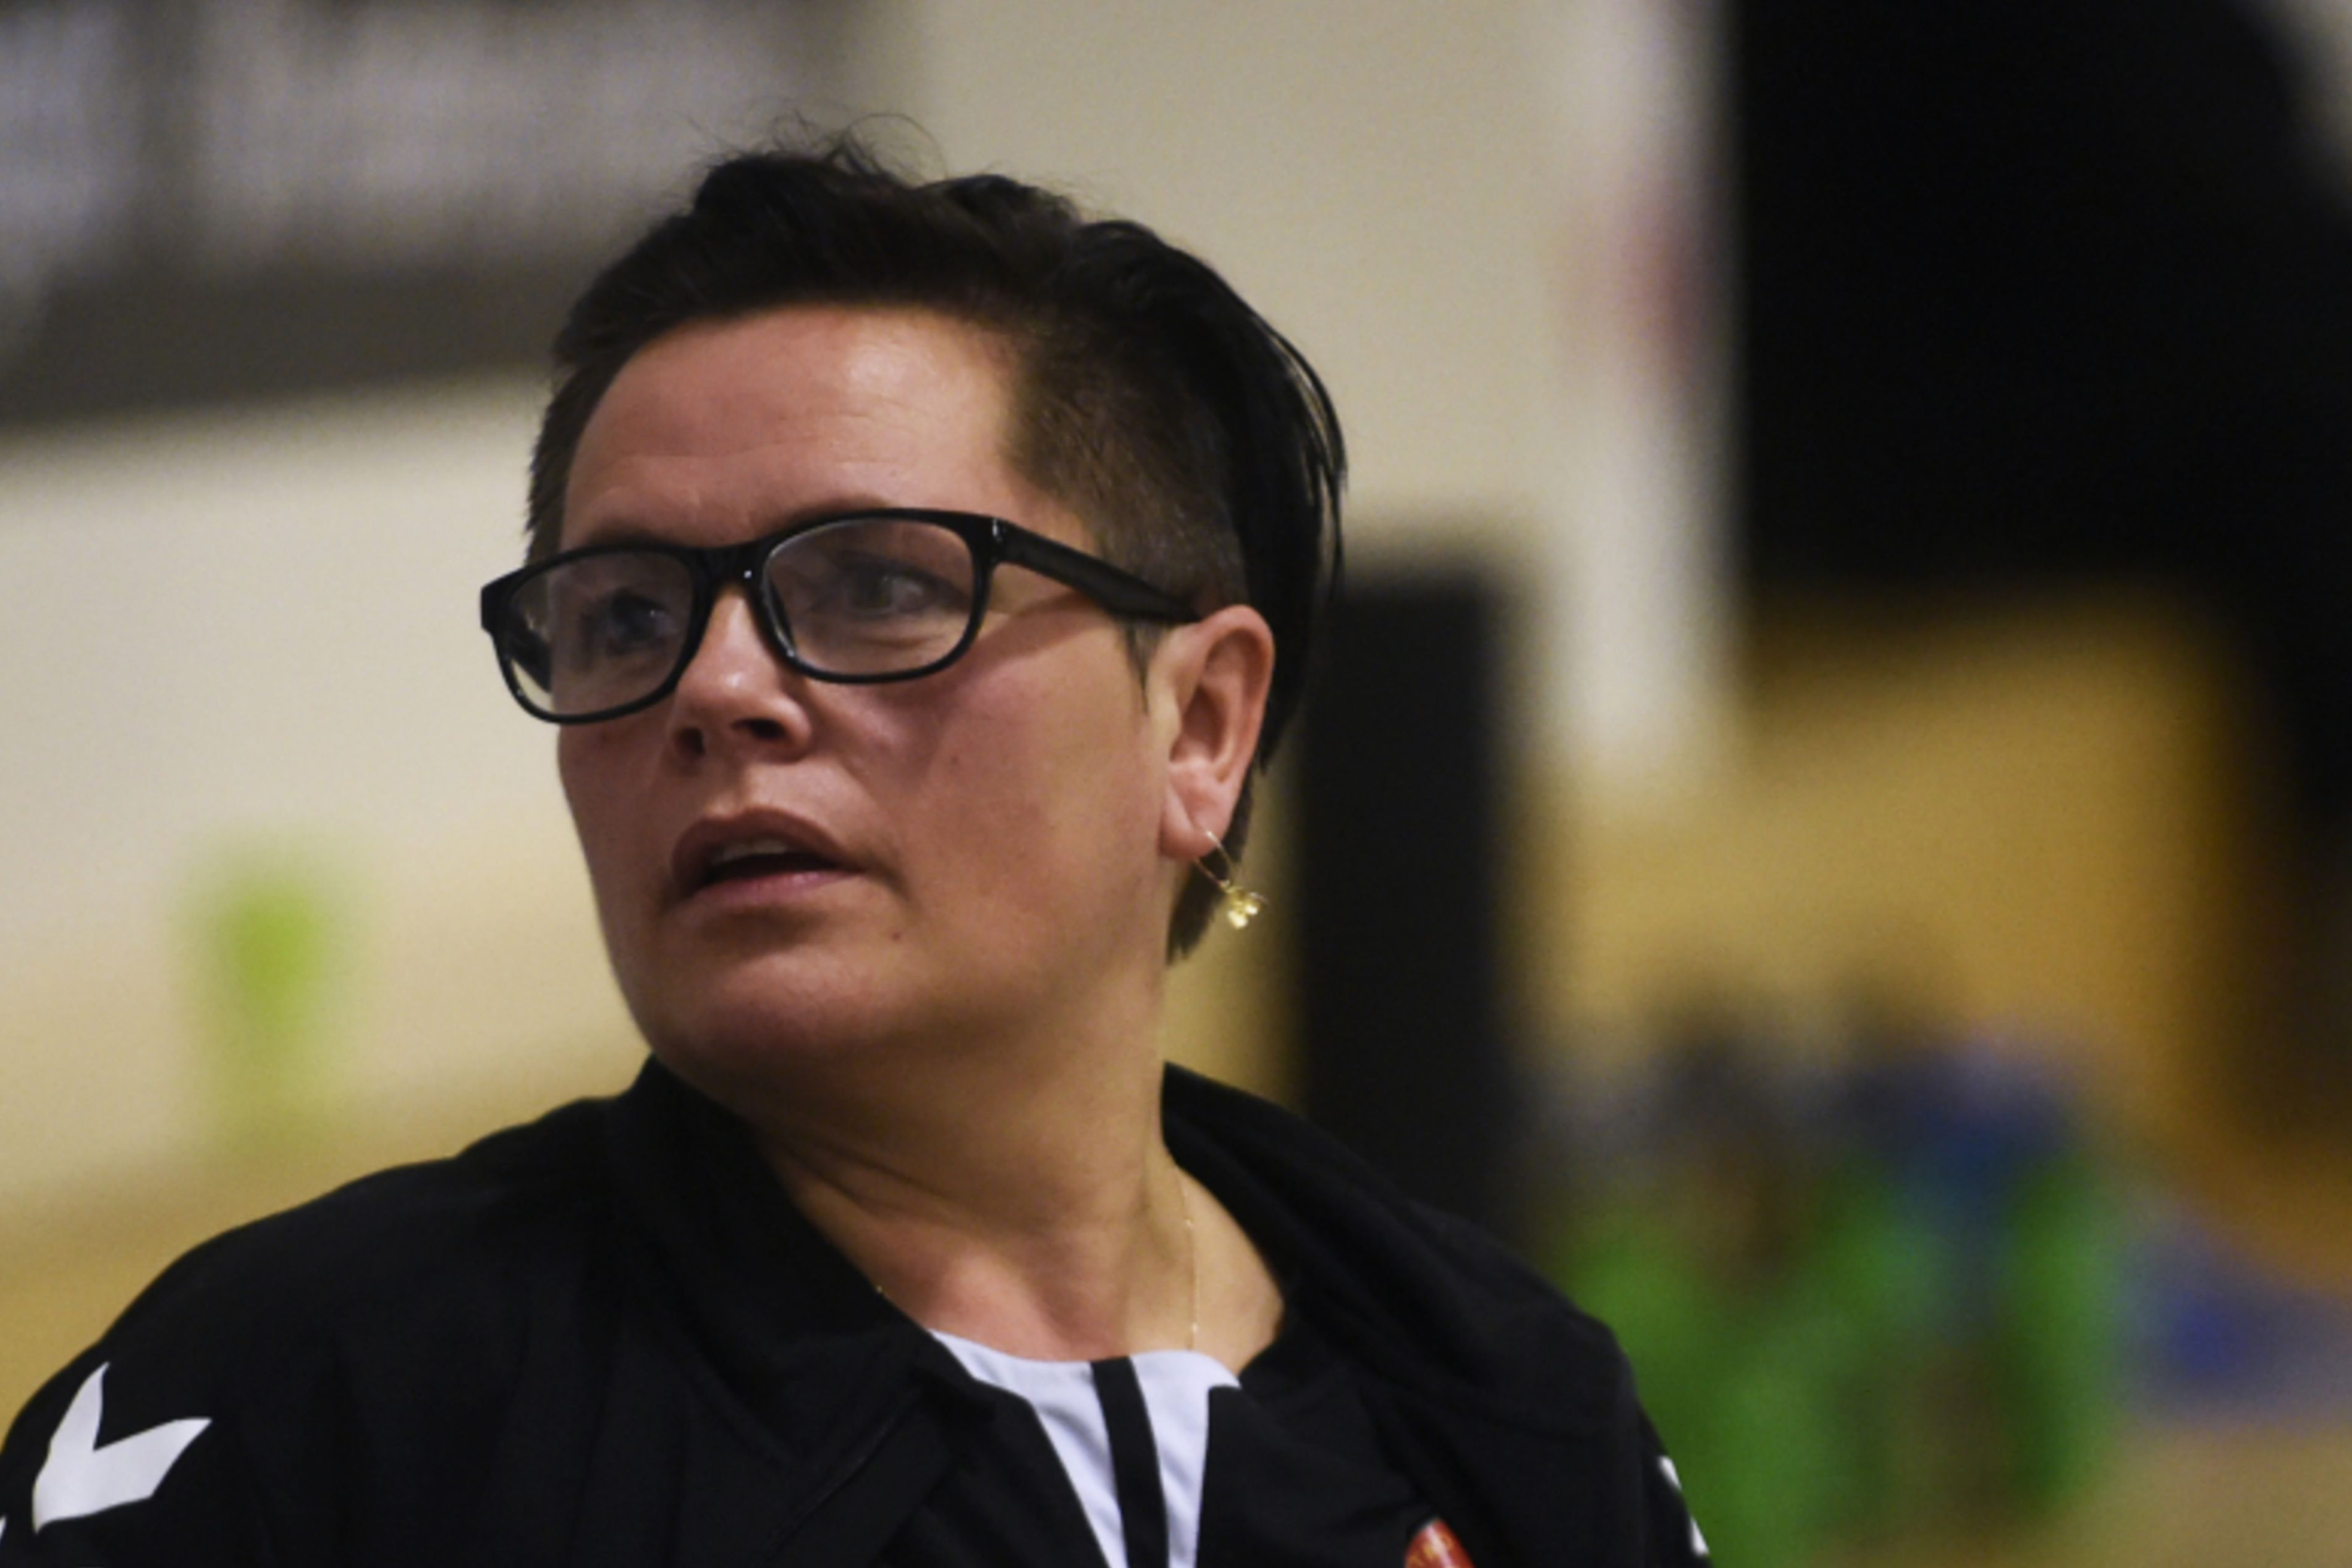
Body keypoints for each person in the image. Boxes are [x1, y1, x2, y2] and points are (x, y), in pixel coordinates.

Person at [0, 140, 1708, 1566]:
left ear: (1199, 726)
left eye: (880, 585)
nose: (718, 688)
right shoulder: (317, 1410)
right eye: (625, 616)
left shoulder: (1508, 1408)